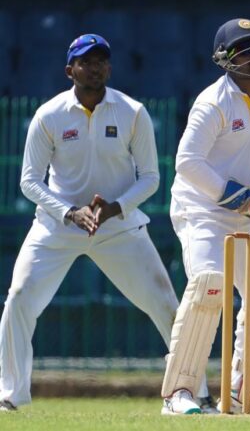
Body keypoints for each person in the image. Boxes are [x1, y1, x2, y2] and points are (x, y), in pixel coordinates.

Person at [0, 34, 180, 412]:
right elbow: (29, 181)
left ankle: (187, 390)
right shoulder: (48, 115)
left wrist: (115, 208)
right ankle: (11, 395)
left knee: (166, 305)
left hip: (117, 226)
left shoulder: (132, 112)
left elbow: (150, 177)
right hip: (57, 226)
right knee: (18, 300)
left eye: (101, 60)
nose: (95, 66)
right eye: (86, 60)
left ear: (109, 68)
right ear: (70, 70)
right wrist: (68, 211)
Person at [160, 18, 250, 416]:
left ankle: (242, 393)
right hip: (200, 209)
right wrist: (242, 200)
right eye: (246, 47)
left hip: (241, 210)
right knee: (208, 286)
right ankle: (179, 393)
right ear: (225, 58)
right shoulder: (213, 101)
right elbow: (186, 162)